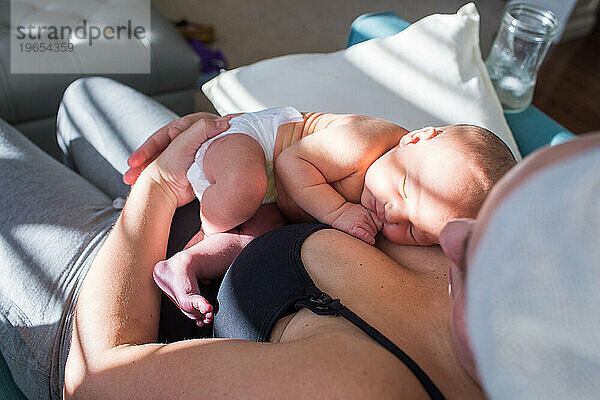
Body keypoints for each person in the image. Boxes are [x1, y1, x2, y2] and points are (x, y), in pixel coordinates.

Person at [0, 76, 595, 400]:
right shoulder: (466, 210)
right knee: (86, 95)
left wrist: (154, 190)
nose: (460, 239)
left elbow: (96, 383)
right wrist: (238, 139)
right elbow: (348, 152)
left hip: (102, 306)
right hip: (225, 185)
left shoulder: (366, 384)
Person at [154, 105, 515, 325]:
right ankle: (205, 228)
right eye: (405, 188)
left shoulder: (385, 201)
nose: (393, 214)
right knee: (245, 186)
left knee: (254, 243)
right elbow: (291, 162)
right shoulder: (366, 140)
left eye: (415, 231)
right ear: (416, 139)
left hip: (273, 199)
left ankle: (185, 264)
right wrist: (339, 212)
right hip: (252, 144)